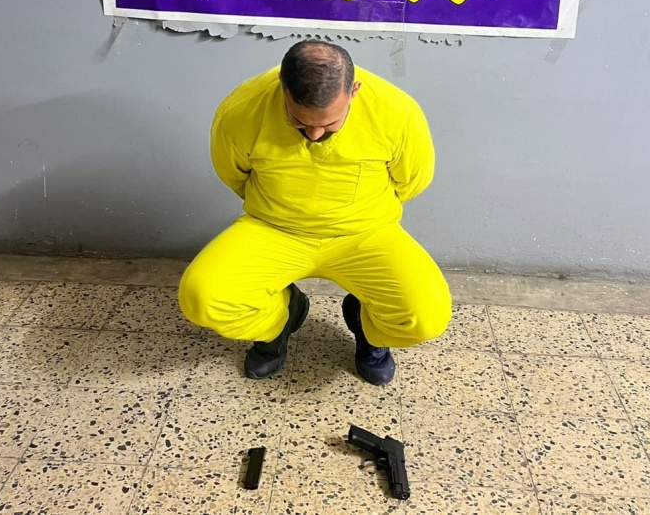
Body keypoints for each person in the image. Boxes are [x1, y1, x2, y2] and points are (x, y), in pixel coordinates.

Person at [178, 40, 452, 385]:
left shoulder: (397, 112)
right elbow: (233, 174)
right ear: (282, 87)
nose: (314, 133)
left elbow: (413, 181)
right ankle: (280, 321)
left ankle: (366, 326)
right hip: (273, 229)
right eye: (299, 121)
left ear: (354, 91)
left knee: (426, 316)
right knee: (201, 297)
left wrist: (359, 216)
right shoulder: (241, 109)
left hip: (366, 234)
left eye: (329, 123)